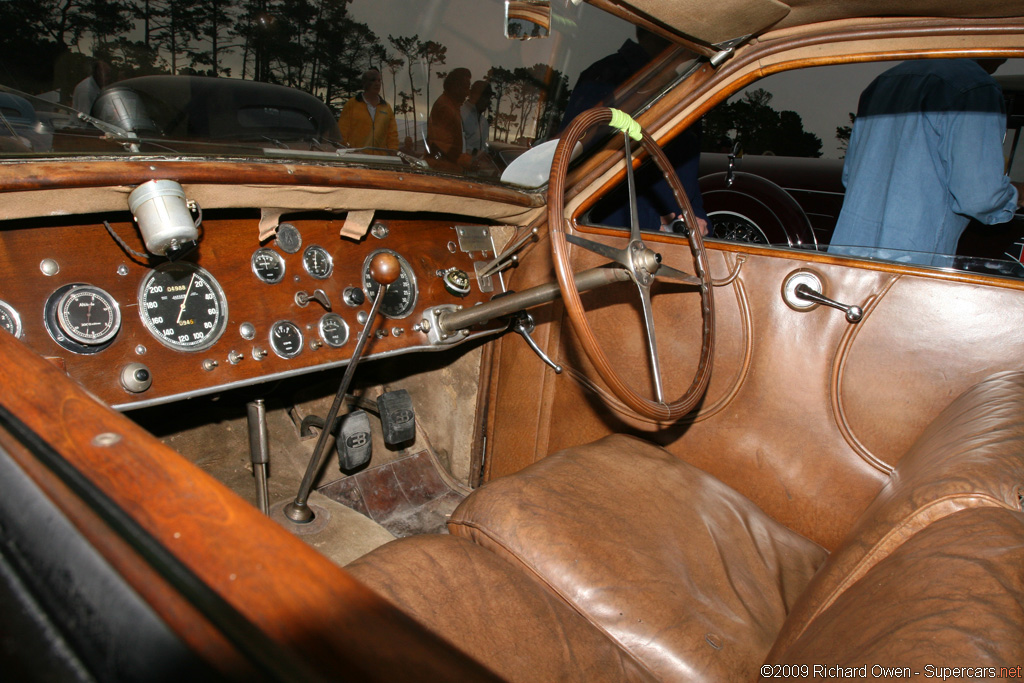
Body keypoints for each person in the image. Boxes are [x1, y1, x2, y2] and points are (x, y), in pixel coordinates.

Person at [830, 59, 1024, 265]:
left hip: (848, 257)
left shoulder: (885, 80)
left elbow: (851, 176)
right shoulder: (976, 87)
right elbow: (980, 197)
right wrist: (1016, 195)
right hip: (912, 265)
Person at [561, 28, 708, 235]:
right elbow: (571, 177)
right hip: (619, 245)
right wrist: (651, 222)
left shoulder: (687, 88)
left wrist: (700, 220)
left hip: (677, 246)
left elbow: (689, 183)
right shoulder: (606, 77)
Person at [336, 68, 399, 152]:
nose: (377, 83)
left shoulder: (386, 108)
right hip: (356, 158)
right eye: (373, 80)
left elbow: (392, 135)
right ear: (365, 83)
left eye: (379, 80)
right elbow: (342, 132)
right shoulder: (352, 104)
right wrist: (344, 152)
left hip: (380, 160)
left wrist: (393, 152)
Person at [426, 68, 472, 172]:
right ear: (455, 87)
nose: (468, 92)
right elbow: (440, 146)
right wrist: (464, 160)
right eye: (466, 88)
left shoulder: (452, 106)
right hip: (443, 170)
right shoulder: (445, 108)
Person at [461, 80, 497, 175]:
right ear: (474, 95)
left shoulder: (483, 121)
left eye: (489, 98)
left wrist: (487, 154)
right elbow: (455, 145)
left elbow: (482, 146)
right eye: (485, 97)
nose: (488, 102)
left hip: (476, 174)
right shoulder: (460, 114)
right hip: (460, 173)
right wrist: (476, 152)